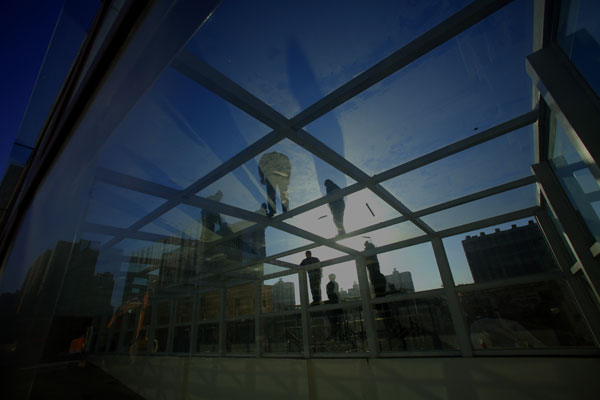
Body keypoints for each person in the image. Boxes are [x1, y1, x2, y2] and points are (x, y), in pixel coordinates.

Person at [258, 152, 291, 217]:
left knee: (271, 194)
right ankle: (285, 210)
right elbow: (288, 166)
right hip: (281, 176)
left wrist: (262, 177)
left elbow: (260, 166)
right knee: (283, 193)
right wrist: (288, 177)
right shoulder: (283, 156)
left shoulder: (266, 156)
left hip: (271, 176)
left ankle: (272, 211)